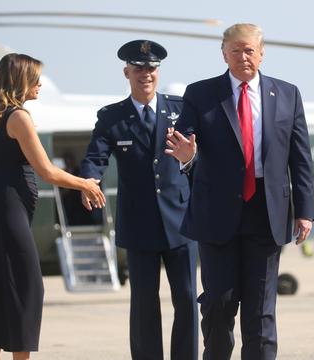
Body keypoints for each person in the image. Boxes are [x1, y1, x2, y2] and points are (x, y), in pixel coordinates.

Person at [166, 23, 314, 360]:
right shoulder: (201, 94)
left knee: (261, 311)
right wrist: (189, 159)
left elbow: (300, 157)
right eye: (236, 50)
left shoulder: (287, 94)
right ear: (224, 55)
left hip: (267, 213)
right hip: (217, 214)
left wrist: (304, 211)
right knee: (218, 305)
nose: (243, 56)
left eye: (249, 50)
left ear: (261, 54)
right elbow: (185, 142)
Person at [0, 53, 106, 360]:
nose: (40, 84)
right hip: (11, 211)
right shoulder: (19, 117)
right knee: (26, 292)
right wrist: (86, 183)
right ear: (20, 80)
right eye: (35, 78)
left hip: (0, 209)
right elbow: (47, 171)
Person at [80, 40, 198, 360]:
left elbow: (200, 155)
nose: (145, 74)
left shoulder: (180, 109)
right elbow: (96, 157)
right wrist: (89, 180)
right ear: (126, 72)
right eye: (139, 68)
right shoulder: (112, 117)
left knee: (187, 299)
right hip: (139, 224)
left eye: (151, 68)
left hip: (182, 223)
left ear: (158, 72)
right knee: (144, 303)